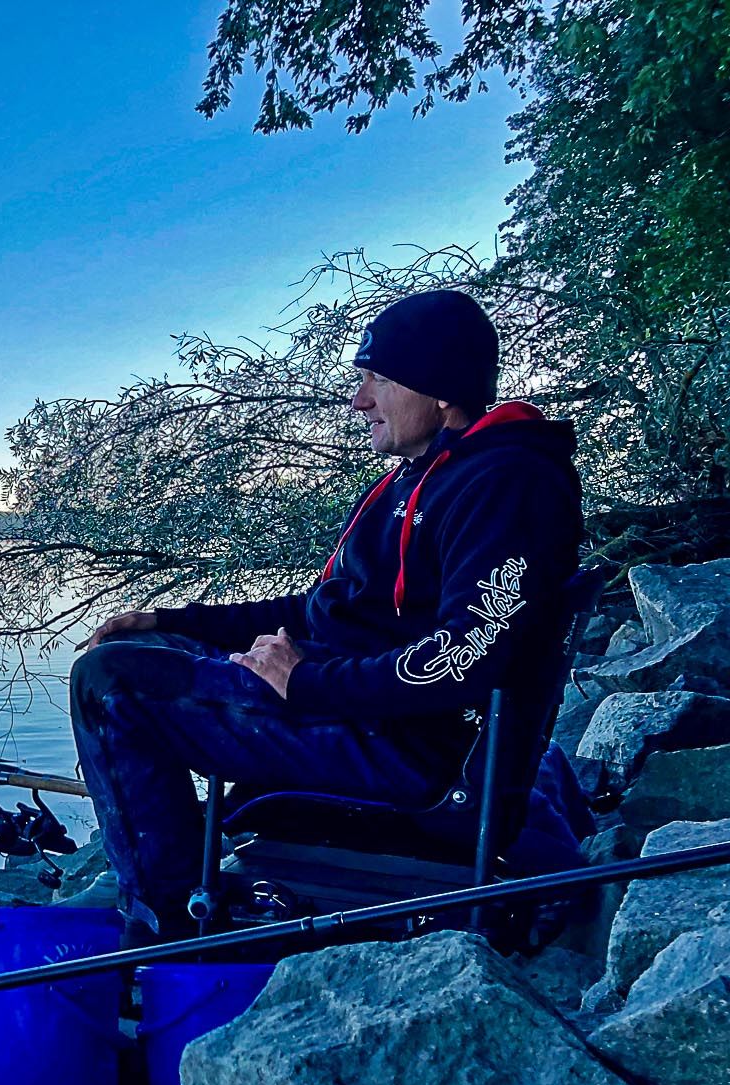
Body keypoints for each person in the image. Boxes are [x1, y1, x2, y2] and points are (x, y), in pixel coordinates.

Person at [69, 289, 582, 945]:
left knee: (109, 685)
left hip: (410, 757)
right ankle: (182, 861)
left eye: (378, 379)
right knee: (154, 649)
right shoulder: (420, 477)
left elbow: (466, 657)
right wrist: (174, 618)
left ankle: (164, 922)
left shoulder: (507, 483)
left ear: (442, 390)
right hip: (371, 717)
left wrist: (304, 684)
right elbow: (320, 612)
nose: (358, 399)